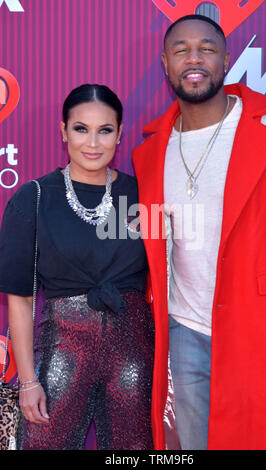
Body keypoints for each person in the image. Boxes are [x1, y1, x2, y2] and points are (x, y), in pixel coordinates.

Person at [132, 14, 266, 450]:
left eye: (206, 48)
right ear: (165, 62)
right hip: (184, 331)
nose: (194, 58)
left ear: (226, 59)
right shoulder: (149, 152)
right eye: (181, 49)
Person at [0, 84, 155, 450]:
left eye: (105, 130)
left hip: (135, 358)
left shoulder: (145, 195)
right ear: (63, 131)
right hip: (60, 357)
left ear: (120, 133)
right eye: (81, 128)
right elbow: (20, 300)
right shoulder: (34, 198)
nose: (93, 143)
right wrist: (27, 380)